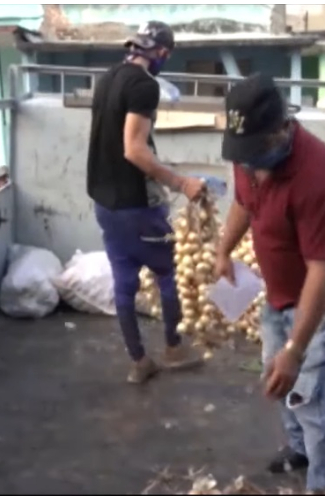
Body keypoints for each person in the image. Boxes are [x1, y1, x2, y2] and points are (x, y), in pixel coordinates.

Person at [215, 73, 325, 493]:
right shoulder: (247, 150)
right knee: (277, 376)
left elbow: (324, 270)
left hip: (322, 308)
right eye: (242, 155)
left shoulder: (322, 174)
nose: (248, 165)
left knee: (315, 402)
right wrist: (222, 250)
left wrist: (296, 348)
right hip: (277, 295)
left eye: (255, 153)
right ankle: (300, 449)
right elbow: (242, 201)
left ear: (282, 129)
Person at [86, 21, 206, 383]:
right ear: (162, 54)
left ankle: (139, 362)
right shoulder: (144, 86)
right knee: (168, 271)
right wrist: (180, 182)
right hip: (135, 205)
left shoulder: (107, 78)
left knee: (124, 281)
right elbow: (134, 149)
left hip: (104, 203)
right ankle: (172, 348)